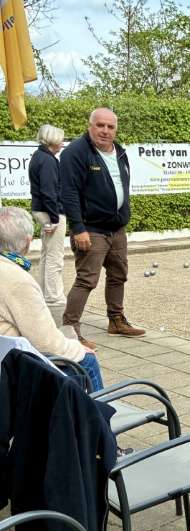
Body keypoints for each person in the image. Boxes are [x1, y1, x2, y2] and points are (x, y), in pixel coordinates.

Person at [60, 108, 145, 349]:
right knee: (86, 280)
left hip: (117, 228)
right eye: (100, 125)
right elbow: (69, 193)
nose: (105, 131)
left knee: (119, 275)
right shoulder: (75, 153)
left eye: (110, 126)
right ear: (90, 126)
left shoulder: (120, 152)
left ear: (115, 129)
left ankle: (116, 320)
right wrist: (78, 228)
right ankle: (69, 331)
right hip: (91, 229)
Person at [0, 206, 103, 390]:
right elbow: (46, 343)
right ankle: (98, 409)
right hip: (14, 372)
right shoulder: (17, 280)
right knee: (88, 361)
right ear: (28, 241)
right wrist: (79, 349)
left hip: (9, 361)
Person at [28, 124, 67, 319]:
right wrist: (54, 218)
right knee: (55, 256)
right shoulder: (48, 160)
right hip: (51, 212)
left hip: (40, 210)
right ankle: (54, 297)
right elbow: (49, 191)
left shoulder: (38, 156)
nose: (62, 143)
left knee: (46, 254)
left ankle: (45, 293)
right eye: (61, 140)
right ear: (52, 140)